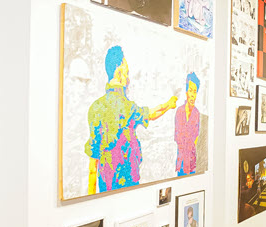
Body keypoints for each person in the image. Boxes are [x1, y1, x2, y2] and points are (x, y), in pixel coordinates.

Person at [84, 46, 177, 194]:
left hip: (105, 184)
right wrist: (168, 105)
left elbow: (92, 163)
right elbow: (151, 114)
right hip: (128, 181)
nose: (128, 80)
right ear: (119, 71)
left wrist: (89, 198)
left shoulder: (95, 108)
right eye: (126, 73)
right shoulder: (128, 107)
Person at [174, 73, 201, 176]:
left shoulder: (196, 113)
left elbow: (196, 138)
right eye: (190, 90)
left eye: (195, 91)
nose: (193, 94)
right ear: (186, 92)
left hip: (191, 162)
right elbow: (177, 137)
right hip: (181, 161)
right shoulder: (179, 111)